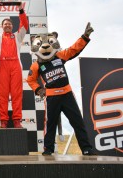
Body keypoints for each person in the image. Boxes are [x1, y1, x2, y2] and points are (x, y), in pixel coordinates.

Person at [26, 23, 96, 155]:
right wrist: (39, 90)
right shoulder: (36, 65)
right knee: (50, 125)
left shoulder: (60, 56)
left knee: (78, 122)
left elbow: (73, 49)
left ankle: (87, 149)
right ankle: (48, 149)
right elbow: (30, 79)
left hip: (67, 93)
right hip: (52, 97)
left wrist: (85, 36)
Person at [0, 1, 28, 128]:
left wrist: (21, 10)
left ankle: (17, 120)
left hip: (16, 65)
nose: (7, 26)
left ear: (12, 26)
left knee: (17, 94)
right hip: (2, 65)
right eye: (5, 24)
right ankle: (4, 120)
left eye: (9, 24)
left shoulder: (18, 36)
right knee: (3, 94)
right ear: (1, 26)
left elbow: (24, 25)